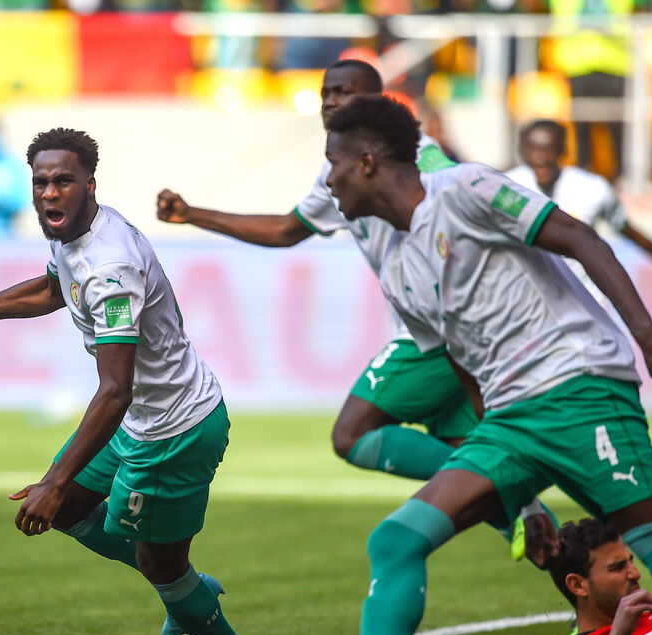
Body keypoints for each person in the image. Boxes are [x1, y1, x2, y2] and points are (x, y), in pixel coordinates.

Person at [267, 95, 652, 635]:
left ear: (366, 162)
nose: (326, 181)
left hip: (580, 387)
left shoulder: (466, 188)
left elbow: (579, 236)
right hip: (509, 420)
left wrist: (648, 335)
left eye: (332, 164)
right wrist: (520, 498)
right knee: (396, 539)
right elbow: (464, 364)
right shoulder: (396, 262)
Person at [0, 127, 275, 635]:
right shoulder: (75, 233)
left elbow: (115, 389)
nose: (50, 193)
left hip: (171, 429)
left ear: (89, 183)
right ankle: (189, 586)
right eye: (40, 182)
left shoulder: (110, 266)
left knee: (152, 559)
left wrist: (55, 480)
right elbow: (54, 290)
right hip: (139, 419)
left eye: (63, 181)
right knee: (73, 513)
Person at [157, 59, 551, 553]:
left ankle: (504, 481)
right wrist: (193, 214)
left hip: (436, 331)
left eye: (344, 92)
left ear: (379, 103)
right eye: (325, 92)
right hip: (432, 330)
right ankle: (574, 577)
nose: (330, 101)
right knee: (480, 477)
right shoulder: (337, 167)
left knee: (353, 433)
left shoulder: (424, 165)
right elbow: (286, 230)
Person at [507, 119, 652, 302]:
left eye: (547, 149)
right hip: (531, 306)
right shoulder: (507, 189)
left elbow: (631, 233)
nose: (540, 158)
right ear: (522, 151)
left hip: (585, 304)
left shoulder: (592, 189)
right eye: (532, 149)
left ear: (562, 150)